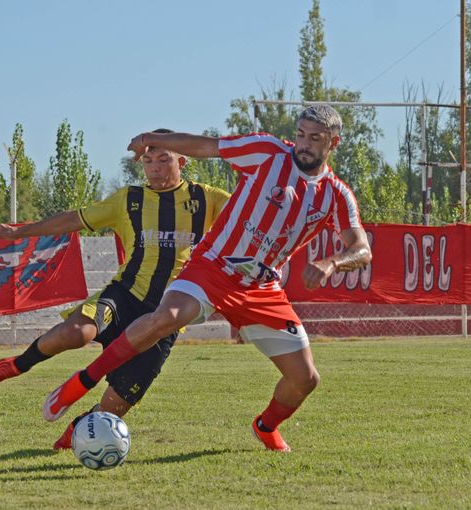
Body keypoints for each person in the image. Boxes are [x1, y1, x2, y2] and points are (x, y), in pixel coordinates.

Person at [41, 105, 372, 452]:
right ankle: (78, 385)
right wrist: (151, 139)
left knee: (305, 379)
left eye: (314, 138)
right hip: (214, 265)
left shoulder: (337, 194)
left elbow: (361, 248)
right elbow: (205, 146)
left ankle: (266, 427)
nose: (303, 144)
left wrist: (333, 263)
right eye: (301, 134)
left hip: (260, 287)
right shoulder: (268, 152)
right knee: (166, 318)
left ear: (333, 142)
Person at [0, 130, 230, 449]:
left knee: (116, 405)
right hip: (125, 295)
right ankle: (18, 363)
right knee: (76, 332)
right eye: (148, 161)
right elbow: (72, 220)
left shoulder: (210, 199)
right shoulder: (129, 199)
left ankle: (79, 428)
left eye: (164, 159)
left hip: (167, 314)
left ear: (183, 161)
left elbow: (248, 223)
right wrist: (18, 233)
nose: (155, 168)